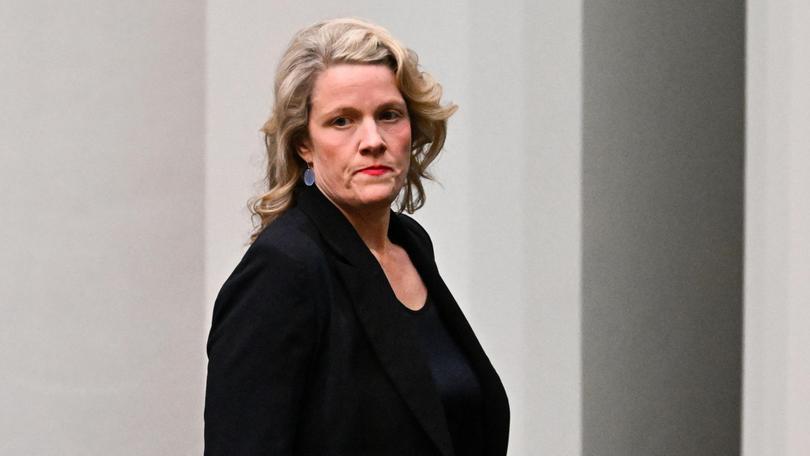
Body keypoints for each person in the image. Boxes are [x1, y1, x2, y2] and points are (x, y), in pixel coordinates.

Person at [204, 17, 509, 456]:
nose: (373, 141)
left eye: (388, 115)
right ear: (304, 144)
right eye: (342, 121)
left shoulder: (411, 245)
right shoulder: (282, 271)